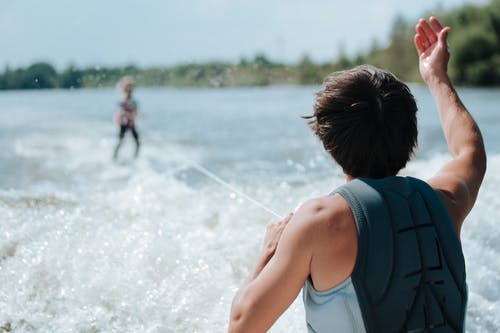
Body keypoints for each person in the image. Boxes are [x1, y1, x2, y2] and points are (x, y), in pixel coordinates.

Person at [228, 17, 486, 333]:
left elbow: (242, 326)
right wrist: (436, 76)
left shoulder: (318, 221)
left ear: (329, 142)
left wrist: (268, 253)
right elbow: (469, 150)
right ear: (411, 133)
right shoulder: (447, 202)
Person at [113, 76, 140, 160]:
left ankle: (135, 157)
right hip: (124, 122)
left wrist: (134, 115)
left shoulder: (133, 101)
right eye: (129, 89)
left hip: (131, 122)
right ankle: (114, 157)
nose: (130, 91)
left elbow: (135, 112)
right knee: (121, 140)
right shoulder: (122, 100)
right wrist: (130, 114)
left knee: (137, 141)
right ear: (125, 90)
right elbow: (123, 111)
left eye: (131, 89)